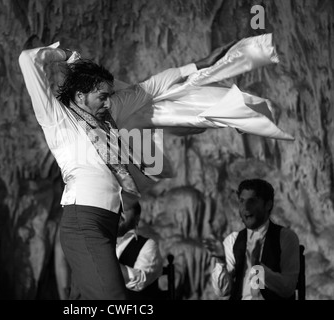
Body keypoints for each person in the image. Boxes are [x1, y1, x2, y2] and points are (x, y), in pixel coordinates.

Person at [19, 34, 291, 299]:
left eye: (109, 96)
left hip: (107, 224)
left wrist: (198, 65)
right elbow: (28, 60)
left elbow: (152, 87)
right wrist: (67, 56)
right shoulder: (59, 119)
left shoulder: (109, 116)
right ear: (80, 97)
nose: (108, 102)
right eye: (101, 97)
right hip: (83, 221)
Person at [203, 179, 300, 300]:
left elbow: (288, 288)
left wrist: (259, 268)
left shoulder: (286, 238)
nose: (245, 208)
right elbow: (222, 292)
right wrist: (221, 261)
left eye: (252, 201)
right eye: (242, 201)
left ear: (268, 205)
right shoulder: (232, 240)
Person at [116, 202, 163, 300]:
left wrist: (103, 258)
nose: (118, 213)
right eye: (115, 208)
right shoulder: (96, 242)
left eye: (124, 210)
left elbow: (140, 282)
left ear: (136, 218)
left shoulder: (148, 245)